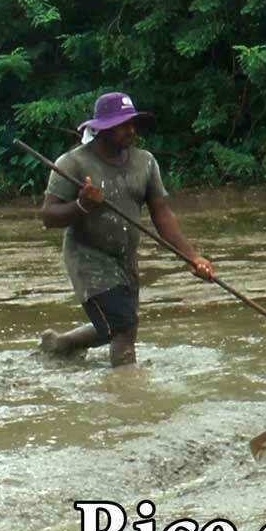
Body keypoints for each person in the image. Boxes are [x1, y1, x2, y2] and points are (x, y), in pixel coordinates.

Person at [38, 92, 214, 367]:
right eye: (123, 125)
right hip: (88, 259)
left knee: (118, 322)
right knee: (124, 324)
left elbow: (162, 214)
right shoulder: (72, 164)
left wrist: (192, 257)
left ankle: (61, 344)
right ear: (103, 128)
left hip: (125, 258)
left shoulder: (145, 162)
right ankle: (128, 389)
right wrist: (82, 204)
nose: (131, 130)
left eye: (133, 123)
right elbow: (48, 216)